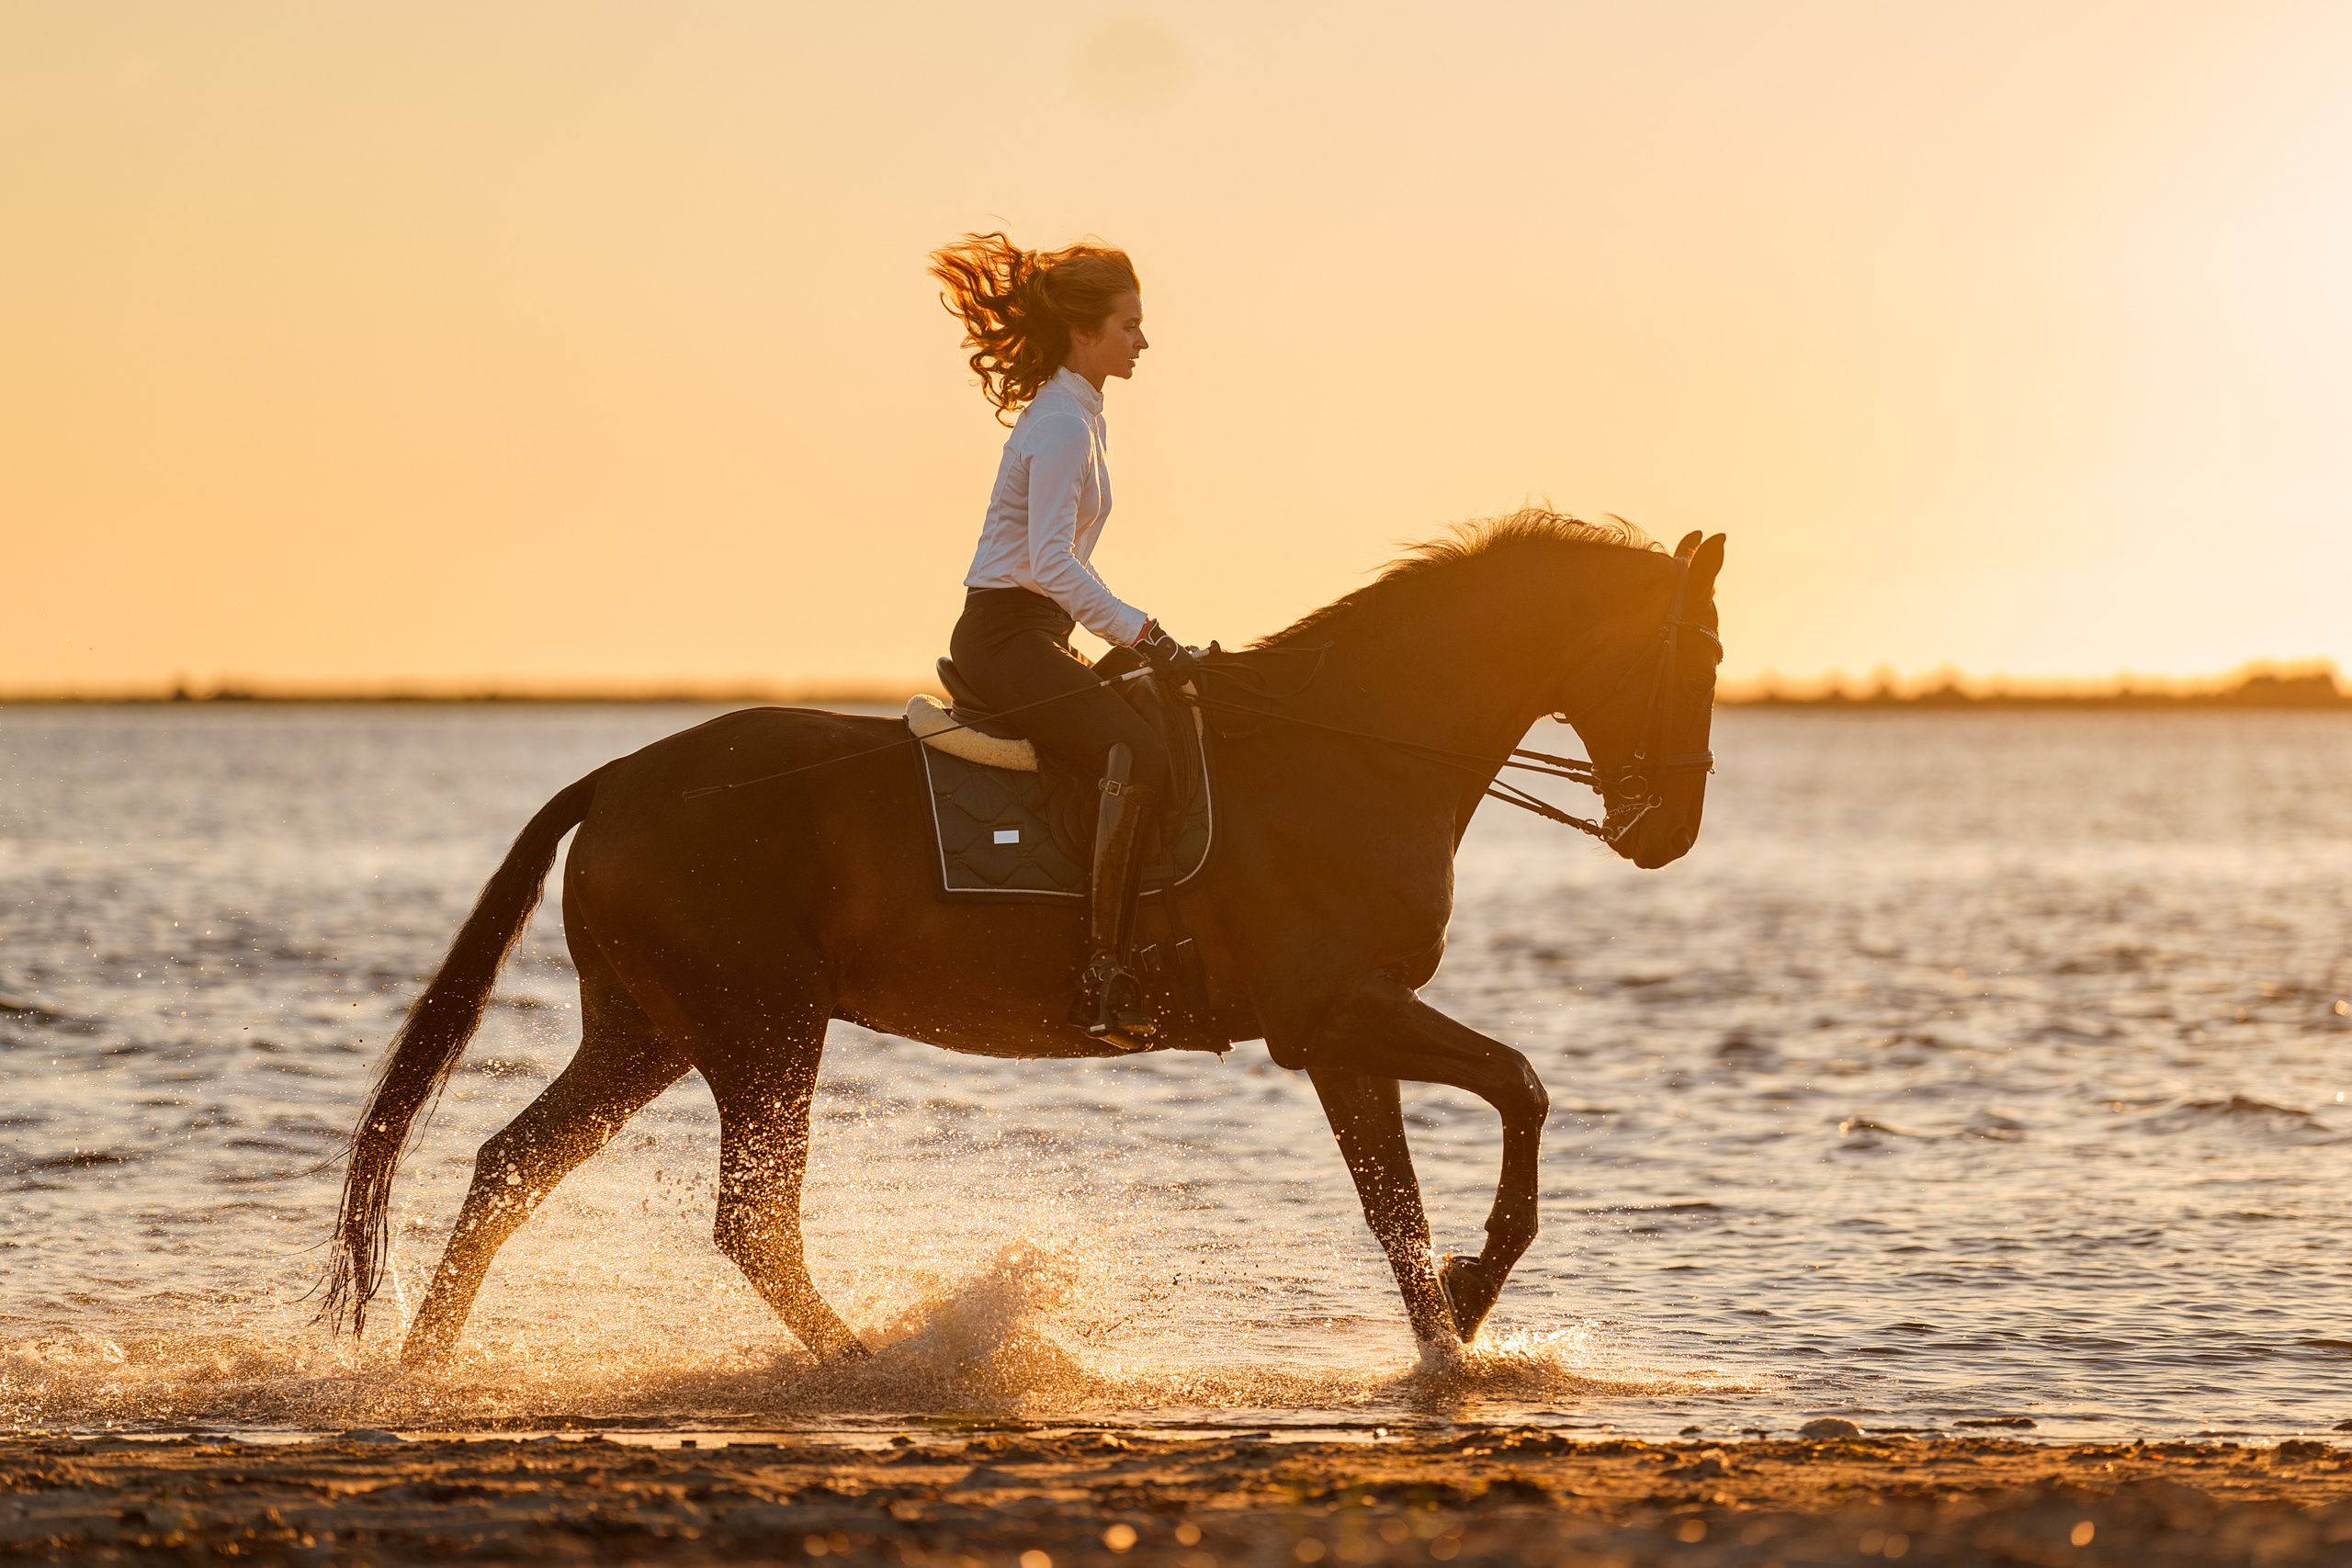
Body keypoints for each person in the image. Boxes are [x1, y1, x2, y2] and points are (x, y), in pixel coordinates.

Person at [930, 231, 1204, 1044]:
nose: (1143, 341)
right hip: (1006, 637)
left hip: (1035, 631)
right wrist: (1145, 634)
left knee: (1153, 722)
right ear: (1086, 331)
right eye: (1130, 325)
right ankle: (1104, 971)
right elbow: (1051, 561)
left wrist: (1144, 642)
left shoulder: (1080, 414)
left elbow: (1062, 564)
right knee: (1141, 755)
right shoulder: (1060, 425)